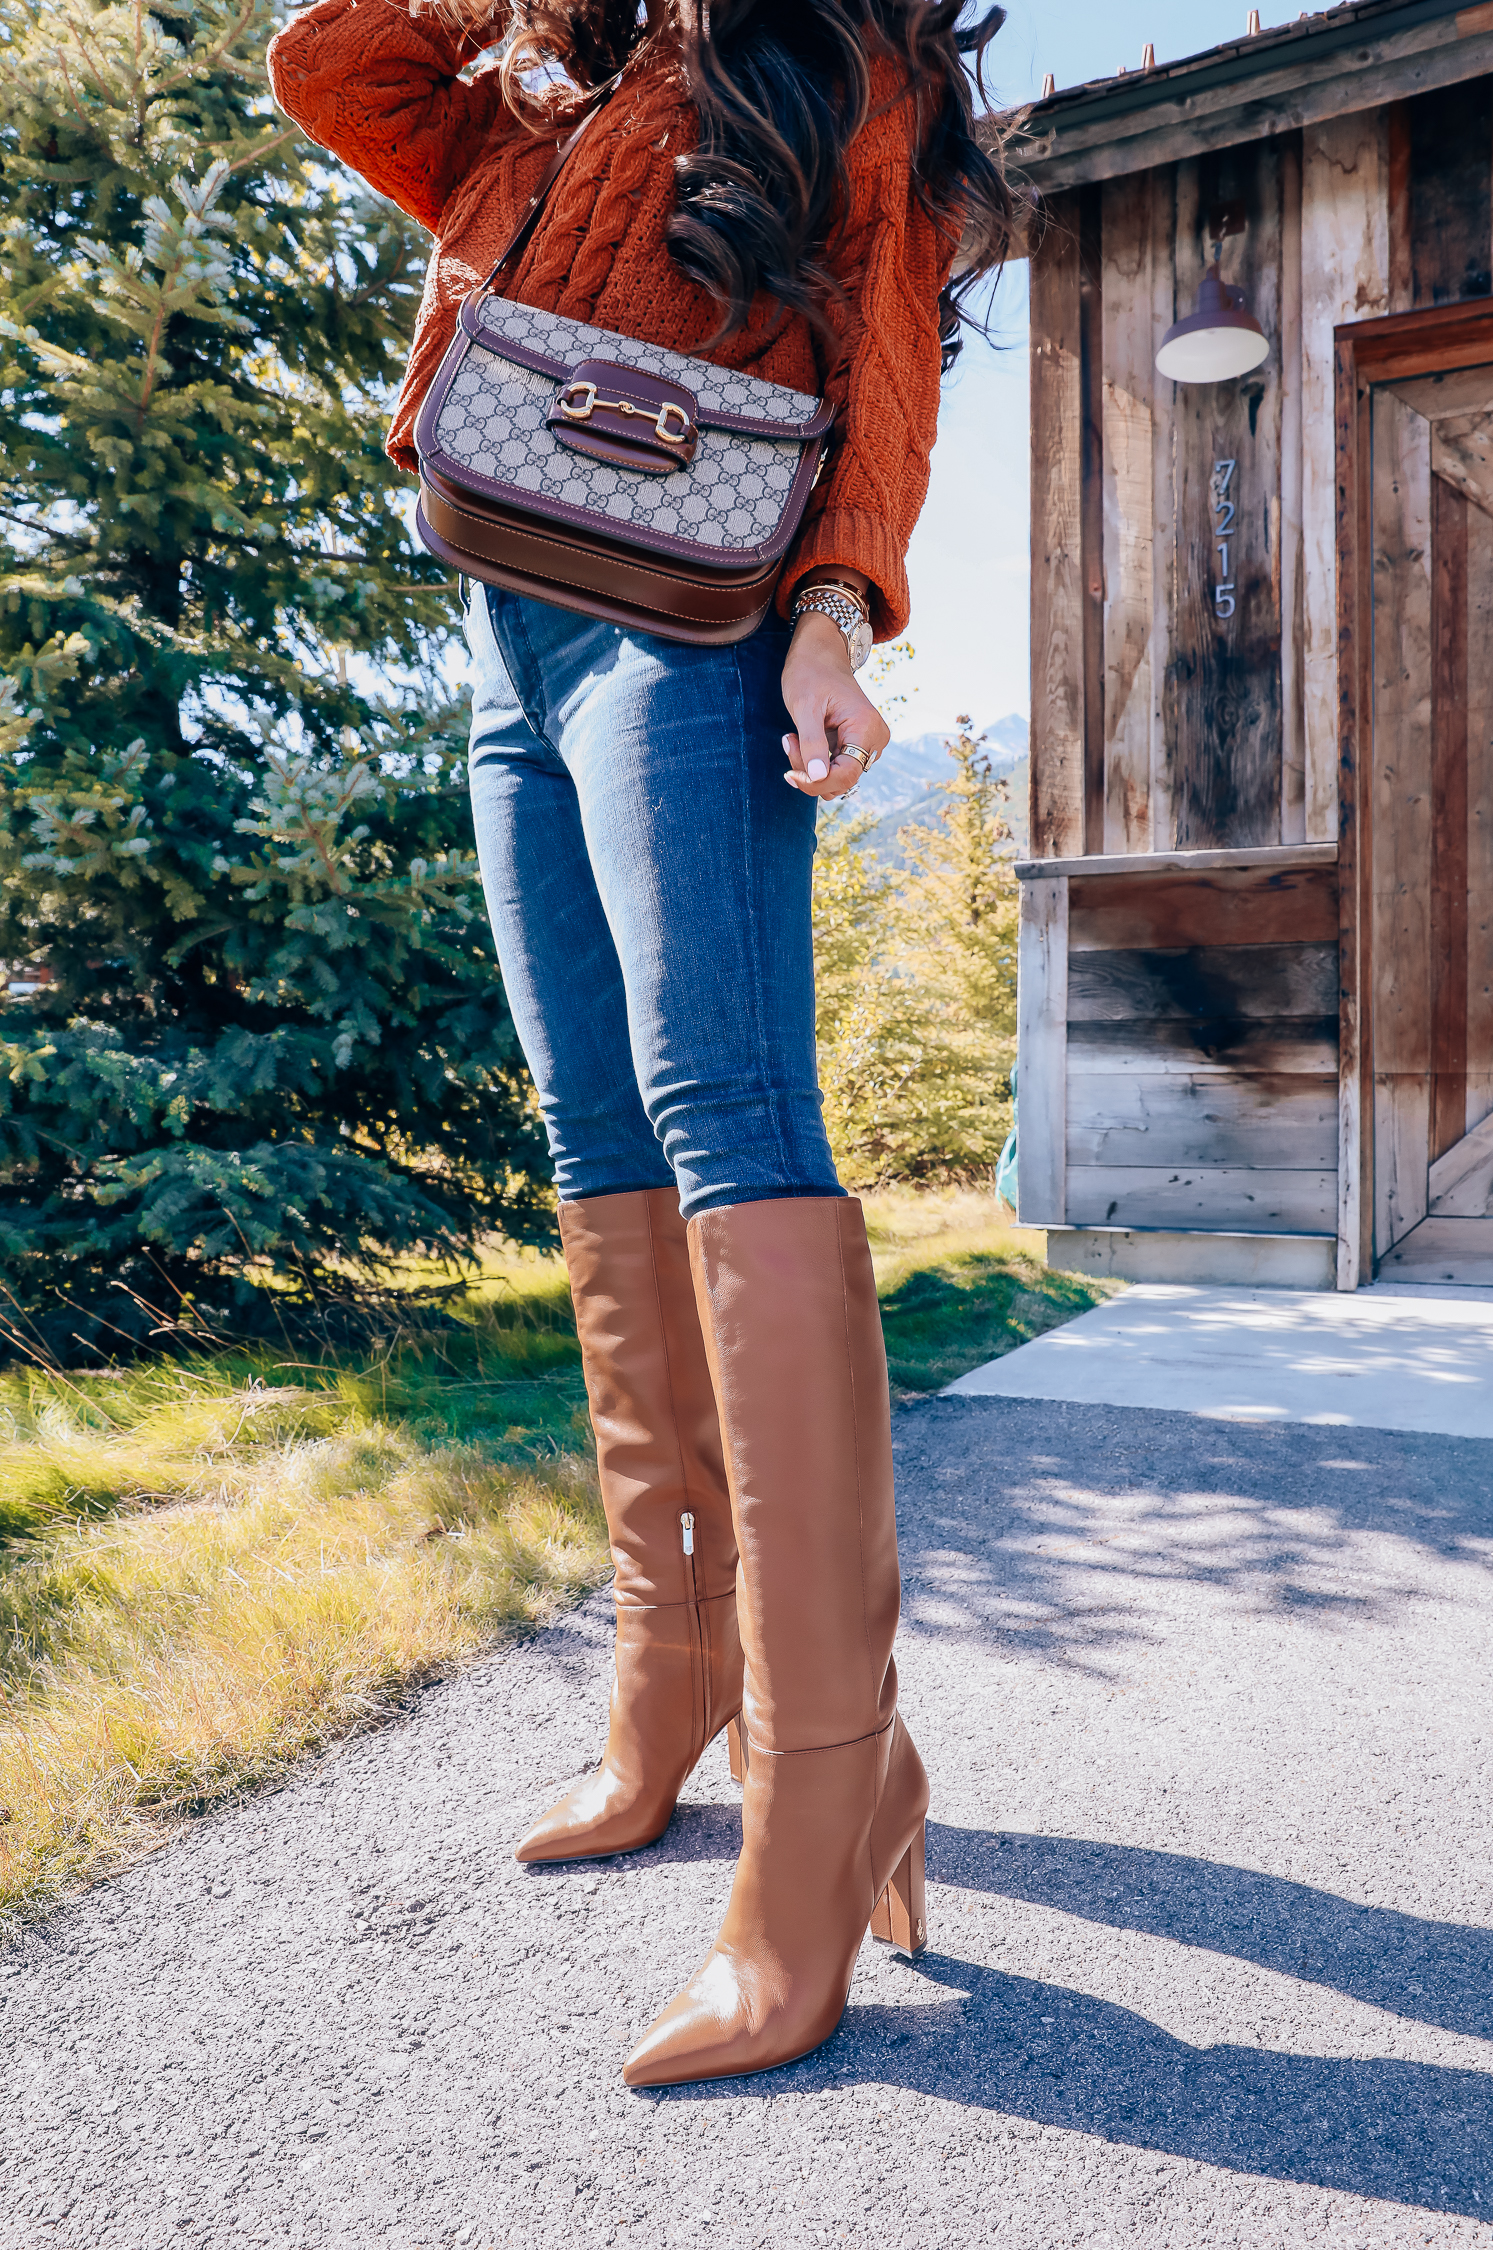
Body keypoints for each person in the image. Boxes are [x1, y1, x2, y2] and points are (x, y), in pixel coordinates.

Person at [267, 0, 1014, 2087]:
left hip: (691, 625)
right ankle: (674, 1675)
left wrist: (840, 604)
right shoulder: (549, 66)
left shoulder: (829, 57)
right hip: (507, 624)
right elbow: (330, 69)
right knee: (591, 1127)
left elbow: (878, 344)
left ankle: (825, 1796)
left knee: (725, 1115)